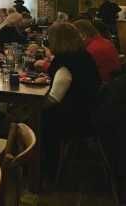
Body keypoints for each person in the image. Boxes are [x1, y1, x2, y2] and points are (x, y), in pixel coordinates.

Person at [42, 22, 101, 179]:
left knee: (35, 119)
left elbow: (53, 98)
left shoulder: (64, 62)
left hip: (74, 119)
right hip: (90, 111)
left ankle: (43, 169)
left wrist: (32, 105)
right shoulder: (83, 55)